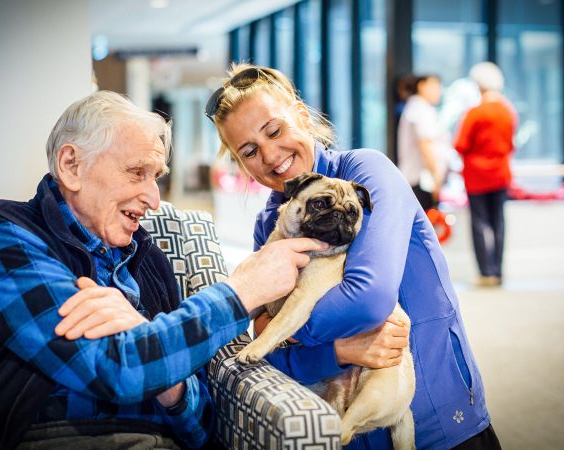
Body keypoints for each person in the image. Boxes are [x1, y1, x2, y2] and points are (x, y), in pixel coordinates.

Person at [0, 90, 391, 450]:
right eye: (137, 173)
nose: (153, 198)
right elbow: (116, 371)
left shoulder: (147, 260)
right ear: (71, 166)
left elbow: (202, 422)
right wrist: (240, 292)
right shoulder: (0, 234)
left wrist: (167, 378)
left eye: (157, 176)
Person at [205, 64, 502, 450]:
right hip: (344, 431)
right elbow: (270, 356)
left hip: (437, 419)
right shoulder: (272, 223)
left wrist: (278, 327)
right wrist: (336, 351)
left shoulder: (367, 170)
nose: (271, 155)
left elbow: (369, 300)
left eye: (274, 131)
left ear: (299, 112)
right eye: (249, 151)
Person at [454, 62, 517, 287]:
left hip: (477, 176)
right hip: (501, 173)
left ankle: (485, 273)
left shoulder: (475, 112)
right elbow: (511, 144)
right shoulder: (508, 111)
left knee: (479, 223)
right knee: (499, 222)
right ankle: (498, 272)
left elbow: (460, 144)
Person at [397, 74, 451, 211]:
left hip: (422, 180)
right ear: (421, 87)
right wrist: (436, 176)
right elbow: (425, 145)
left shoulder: (422, 108)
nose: (439, 91)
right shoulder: (419, 108)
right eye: (434, 87)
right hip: (420, 180)